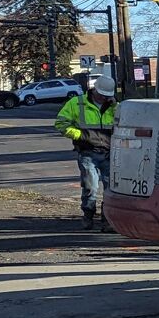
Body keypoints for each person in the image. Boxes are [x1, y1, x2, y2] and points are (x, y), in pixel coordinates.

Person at [56, 74, 118, 229]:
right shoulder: (76, 103)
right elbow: (61, 124)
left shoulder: (115, 106)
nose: (104, 98)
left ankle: (107, 219)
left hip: (109, 152)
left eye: (107, 96)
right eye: (102, 95)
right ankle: (88, 215)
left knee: (111, 188)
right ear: (95, 90)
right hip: (88, 152)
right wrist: (80, 136)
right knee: (90, 186)